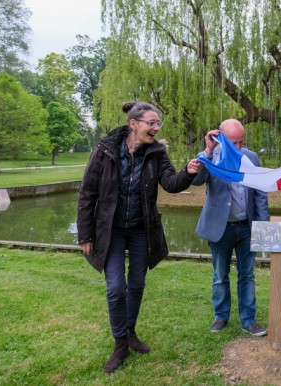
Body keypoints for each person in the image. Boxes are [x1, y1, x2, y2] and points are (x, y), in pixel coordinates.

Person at [77, 101, 201, 374]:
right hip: (111, 232)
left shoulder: (156, 152)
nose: (156, 128)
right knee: (115, 288)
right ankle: (120, 343)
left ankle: (130, 332)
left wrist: (188, 172)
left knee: (136, 284)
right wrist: (85, 234)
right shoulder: (105, 150)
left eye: (158, 124)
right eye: (151, 123)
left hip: (140, 230)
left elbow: (170, 182)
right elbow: (87, 193)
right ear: (134, 124)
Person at [192, 119, 270, 337]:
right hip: (221, 228)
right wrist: (207, 150)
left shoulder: (251, 157)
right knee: (220, 275)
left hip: (246, 228)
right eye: (233, 143)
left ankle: (249, 320)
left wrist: (262, 225)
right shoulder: (210, 157)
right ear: (221, 138)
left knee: (247, 275)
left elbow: (260, 192)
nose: (238, 148)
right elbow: (196, 180)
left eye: (241, 142)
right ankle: (221, 316)